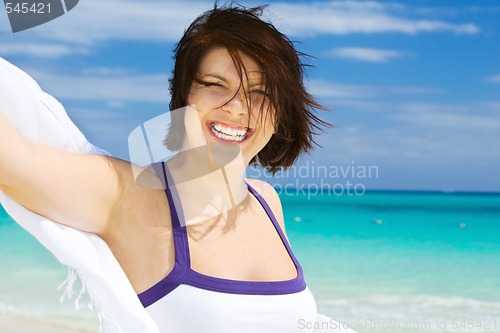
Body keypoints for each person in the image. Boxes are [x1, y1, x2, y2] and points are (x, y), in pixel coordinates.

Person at [0, 3, 353, 333]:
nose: (236, 108)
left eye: (260, 94)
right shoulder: (129, 195)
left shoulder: (266, 201)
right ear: (184, 97)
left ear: (280, 115)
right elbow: (15, 161)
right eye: (215, 86)